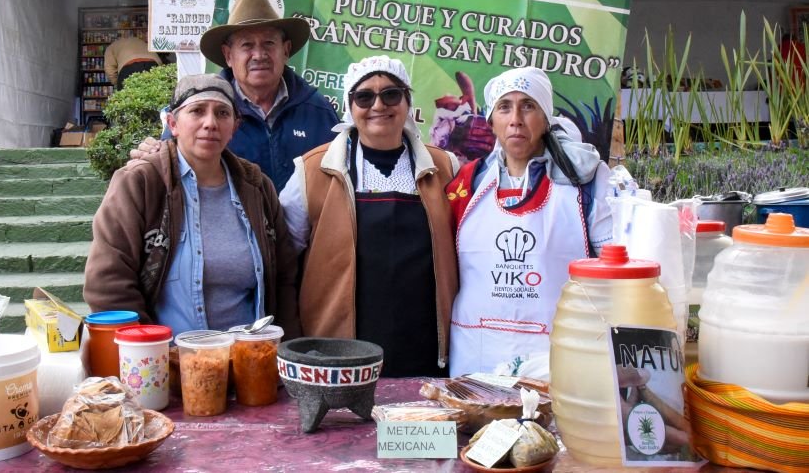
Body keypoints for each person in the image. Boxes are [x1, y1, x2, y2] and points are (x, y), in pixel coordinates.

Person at [280, 55, 460, 377]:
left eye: (391, 94)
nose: (379, 105)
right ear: (350, 106)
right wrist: (294, 336)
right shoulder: (312, 171)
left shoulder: (445, 167)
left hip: (426, 349)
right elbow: (284, 260)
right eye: (364, 96)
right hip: (338, 352)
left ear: (407, 101)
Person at [84, 74, 300, 339]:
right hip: (167, 365)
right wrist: (150, 355)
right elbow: (108, 283)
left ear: (234, 126)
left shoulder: (257, 187)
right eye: (197, 111)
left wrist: (286, 350)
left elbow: (285, 276)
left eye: (222, 113)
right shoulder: (141, 183)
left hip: (249, 362)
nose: (210, 123)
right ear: (173, 124)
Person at [447, 66, 613, 378]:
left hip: (555, 357)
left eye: (528, 106)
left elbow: (614, 268)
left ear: (546, 117)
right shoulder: (467, 184)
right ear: (492, 120)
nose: (516, 120)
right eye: (504, 107)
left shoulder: (586, 181)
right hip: (476, 354)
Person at [134, 0, 339, 192]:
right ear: (228, 55)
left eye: (268, 43)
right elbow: (170, 174)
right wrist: (152, 155)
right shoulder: (199, 111)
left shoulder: (318, 111)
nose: (259, 55)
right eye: (247, 45)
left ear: (285, 50)